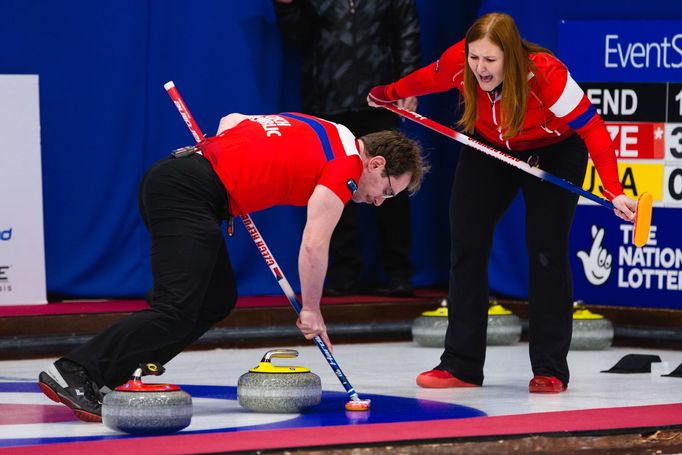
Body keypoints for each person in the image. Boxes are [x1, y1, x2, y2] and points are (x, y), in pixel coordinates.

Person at [38, 112, 427, 421]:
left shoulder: (329, 130)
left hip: (188, 183)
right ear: (375, 163)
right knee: (175, 307)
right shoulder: (346, 166)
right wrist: (311, 308)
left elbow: (233, 120)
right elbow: (313, 244)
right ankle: (75, 371)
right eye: (387, 191)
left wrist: (240, 168)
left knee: (216, 299)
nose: (379, 202)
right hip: (188, 192)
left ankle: (107, 377)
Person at [368, 12, 637, 393]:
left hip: (554, 151)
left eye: (490, 60)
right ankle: (460, 365)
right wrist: (389, 93)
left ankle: (550, 369)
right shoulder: (460, 64)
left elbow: (592, 129)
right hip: (490, 147)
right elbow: (426, 78)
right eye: (474, 58)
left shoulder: (546, 74)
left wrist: (614, 189)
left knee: (546, 251)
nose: (480, 68)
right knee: (466, 245)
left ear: (510, 56)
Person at [273, 0, 421, 297]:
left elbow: (407, 31)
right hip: (327, 98)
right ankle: (342, 274)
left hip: (379, 97)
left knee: (389, 187)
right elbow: (298, 36)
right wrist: (287, 7)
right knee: (333, 187)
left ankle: (398, 272)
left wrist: (408, 84)